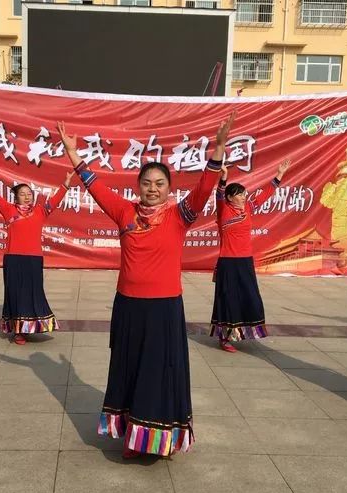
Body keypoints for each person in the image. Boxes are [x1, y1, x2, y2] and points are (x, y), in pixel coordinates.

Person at [56, 111, 234, 458]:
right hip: (128, 306)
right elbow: (95, 186)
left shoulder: (179, 215)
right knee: (130, 368)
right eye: (147, 183)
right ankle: (133, 438)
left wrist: (218, 150)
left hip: (164, 308)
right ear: (138, 186)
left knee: (159, 371)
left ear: (169, 188)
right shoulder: (125, 212)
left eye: (160, 184)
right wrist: (73, 154)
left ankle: (159, 438)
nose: (153, 189)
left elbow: (204, 189)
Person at [0, 162, 69, 345]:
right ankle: (18, 331)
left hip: (34, 259)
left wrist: (66, 184)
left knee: (33, 293)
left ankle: (34, 326)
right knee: (15, 294)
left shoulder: (40, 211)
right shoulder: (8, 210)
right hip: (13, 259)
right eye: (23, 194)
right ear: (16, 197)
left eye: (29, 194)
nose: (27, 197)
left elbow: (55, 201)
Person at [211, 159, 290, 352]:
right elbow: (219, 194)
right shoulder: (224, 210)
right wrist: (223, 178)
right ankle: (224, 338)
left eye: (244, 193)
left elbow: (266, 195)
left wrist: (279, 175)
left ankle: (244, 332)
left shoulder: (247, 209)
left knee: (250, 297)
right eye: (239, 194)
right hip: (228, 262)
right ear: (230, 197)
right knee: (228, 299)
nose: (243, 196)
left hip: (245, 261)